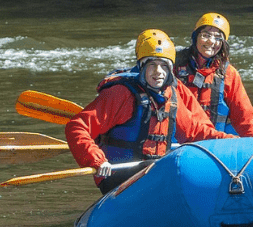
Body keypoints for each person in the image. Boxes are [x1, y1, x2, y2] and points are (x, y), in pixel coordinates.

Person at [66, 31, 235, 193]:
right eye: (152, 65)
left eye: (164, 66)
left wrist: (233, 142)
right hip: (118, 178)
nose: (158, 72)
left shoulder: (171, 95)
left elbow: (196, 133)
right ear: (142, 67)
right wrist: (96, 160)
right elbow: (77, 127)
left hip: (153, 174)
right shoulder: (120, 94)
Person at [173, 13, 253, 137]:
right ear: (195, 37)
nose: (211, 41)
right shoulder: (173, 67)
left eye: (218, 38)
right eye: (205, 35)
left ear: (223, 44)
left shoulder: (229, 74)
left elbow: (244, 119)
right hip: (176, 143)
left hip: (212, 143)